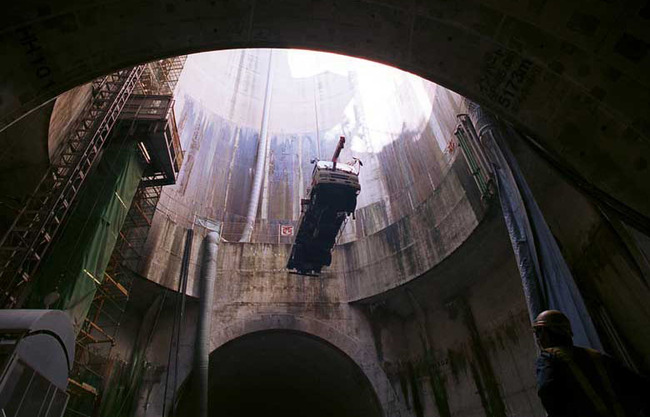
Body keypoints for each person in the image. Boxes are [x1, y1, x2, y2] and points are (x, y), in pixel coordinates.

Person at [533, 310, 649, 417]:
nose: (538, 339)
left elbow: (546, 390)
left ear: (545, 333)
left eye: (538, 332)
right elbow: (639, 385)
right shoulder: (597, 356)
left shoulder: (549, 358)